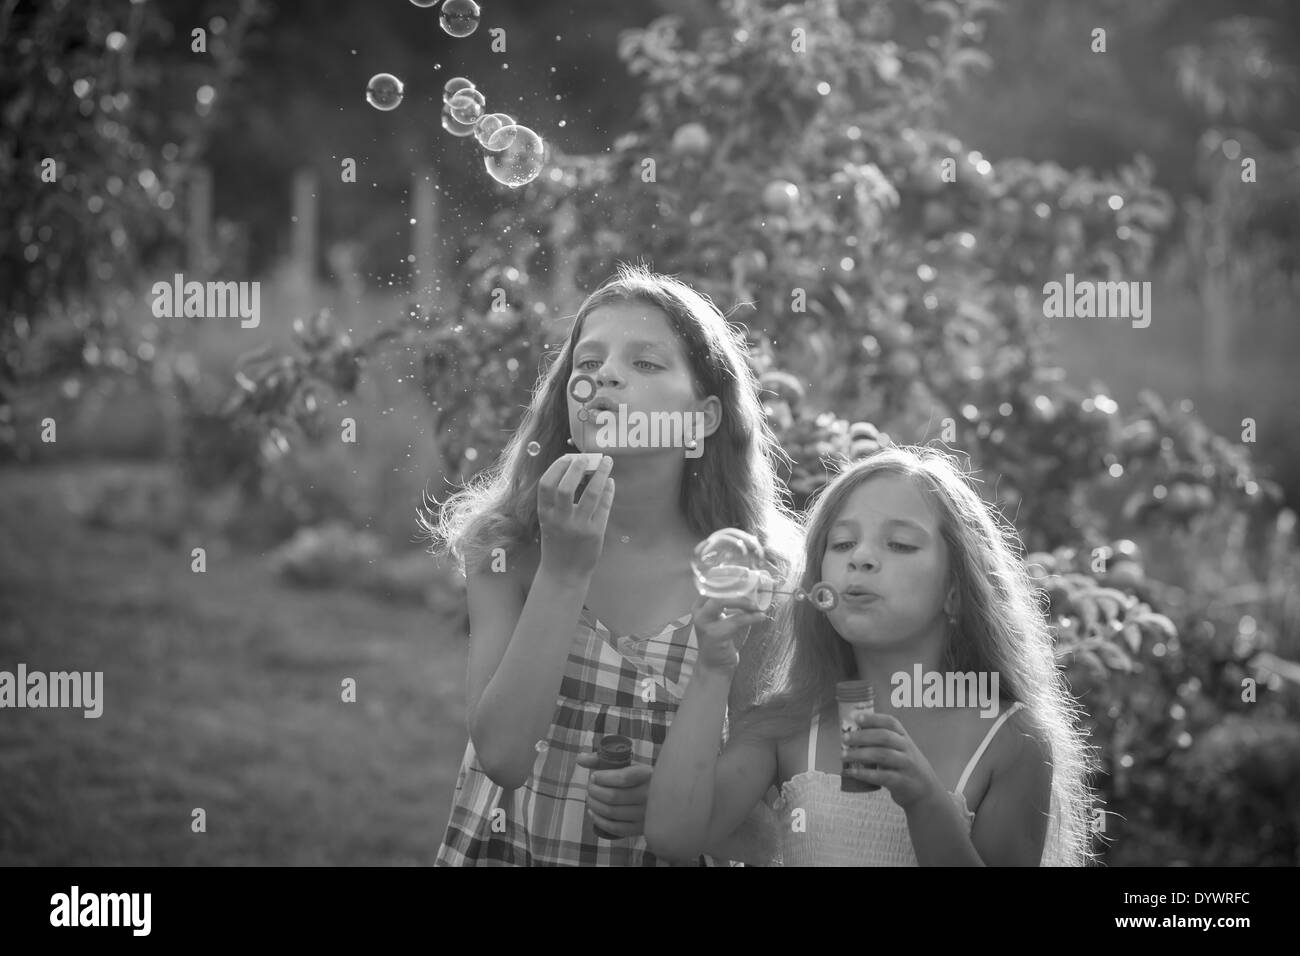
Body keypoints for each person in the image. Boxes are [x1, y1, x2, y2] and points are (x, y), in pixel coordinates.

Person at [425, 263, 799, 865]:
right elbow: (503, 755)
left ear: (702, 418)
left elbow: (768, 835)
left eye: (645, 364)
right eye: (587, 364)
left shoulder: (749, 582)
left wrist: (675, 804)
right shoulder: (510, 550)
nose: (605, 379)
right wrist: (564, 572)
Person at [646, 445, 1096, 866]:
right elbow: (673, 837)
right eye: (841, 544)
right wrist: (714, 666)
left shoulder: (1012, 740)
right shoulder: (784, 725)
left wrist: (924, 800)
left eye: (899, 544)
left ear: (957, 591)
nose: (860, 558)